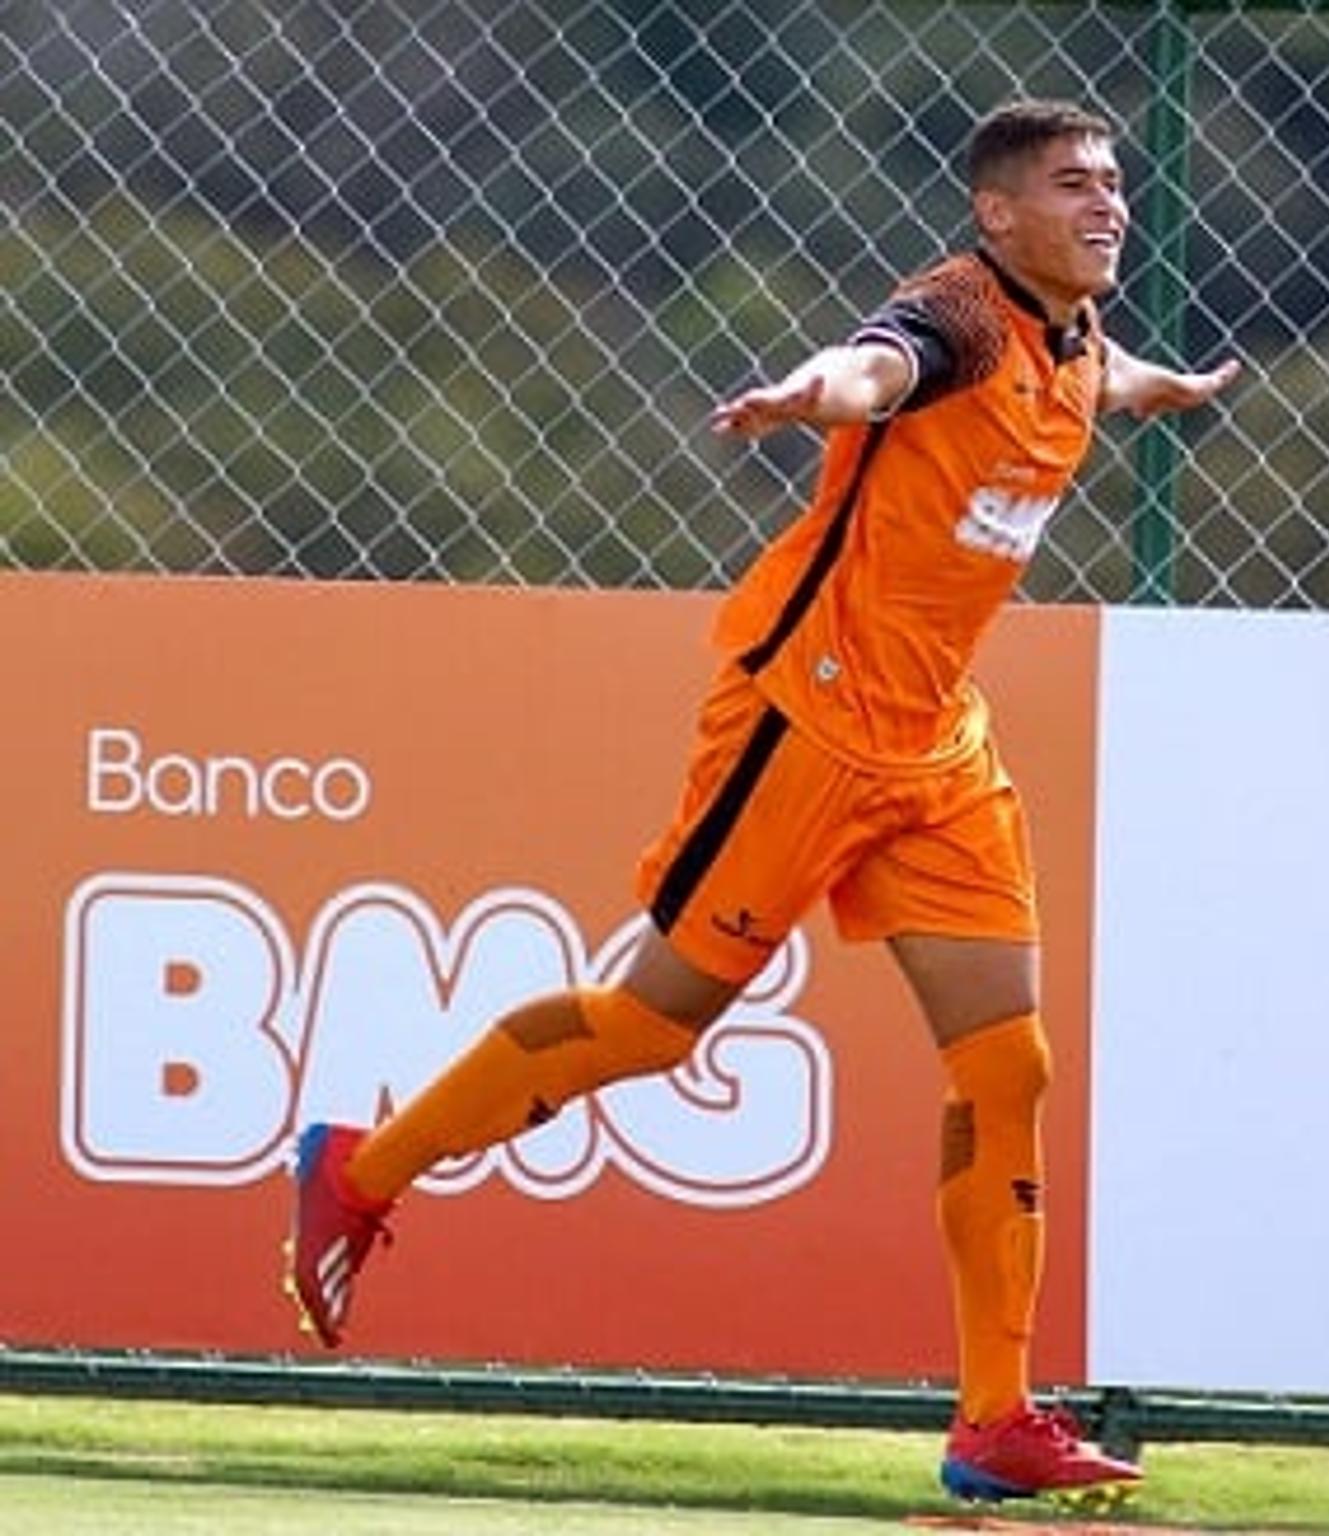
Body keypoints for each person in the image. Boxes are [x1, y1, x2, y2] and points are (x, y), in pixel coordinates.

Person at [285, 96, 1238, 1503]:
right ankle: (366, 1168)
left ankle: (994, 1421)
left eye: (1113, 182)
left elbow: (1086, 379)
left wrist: (1161, 388)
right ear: (995, 215)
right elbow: (881, 364)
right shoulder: (960, 315)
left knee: (1007, 1067)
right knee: (654, 1025)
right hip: (808, 714)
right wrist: (815, 393)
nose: (1107, 206)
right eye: (1071, 185)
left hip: (936, 749)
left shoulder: (1073, 333)